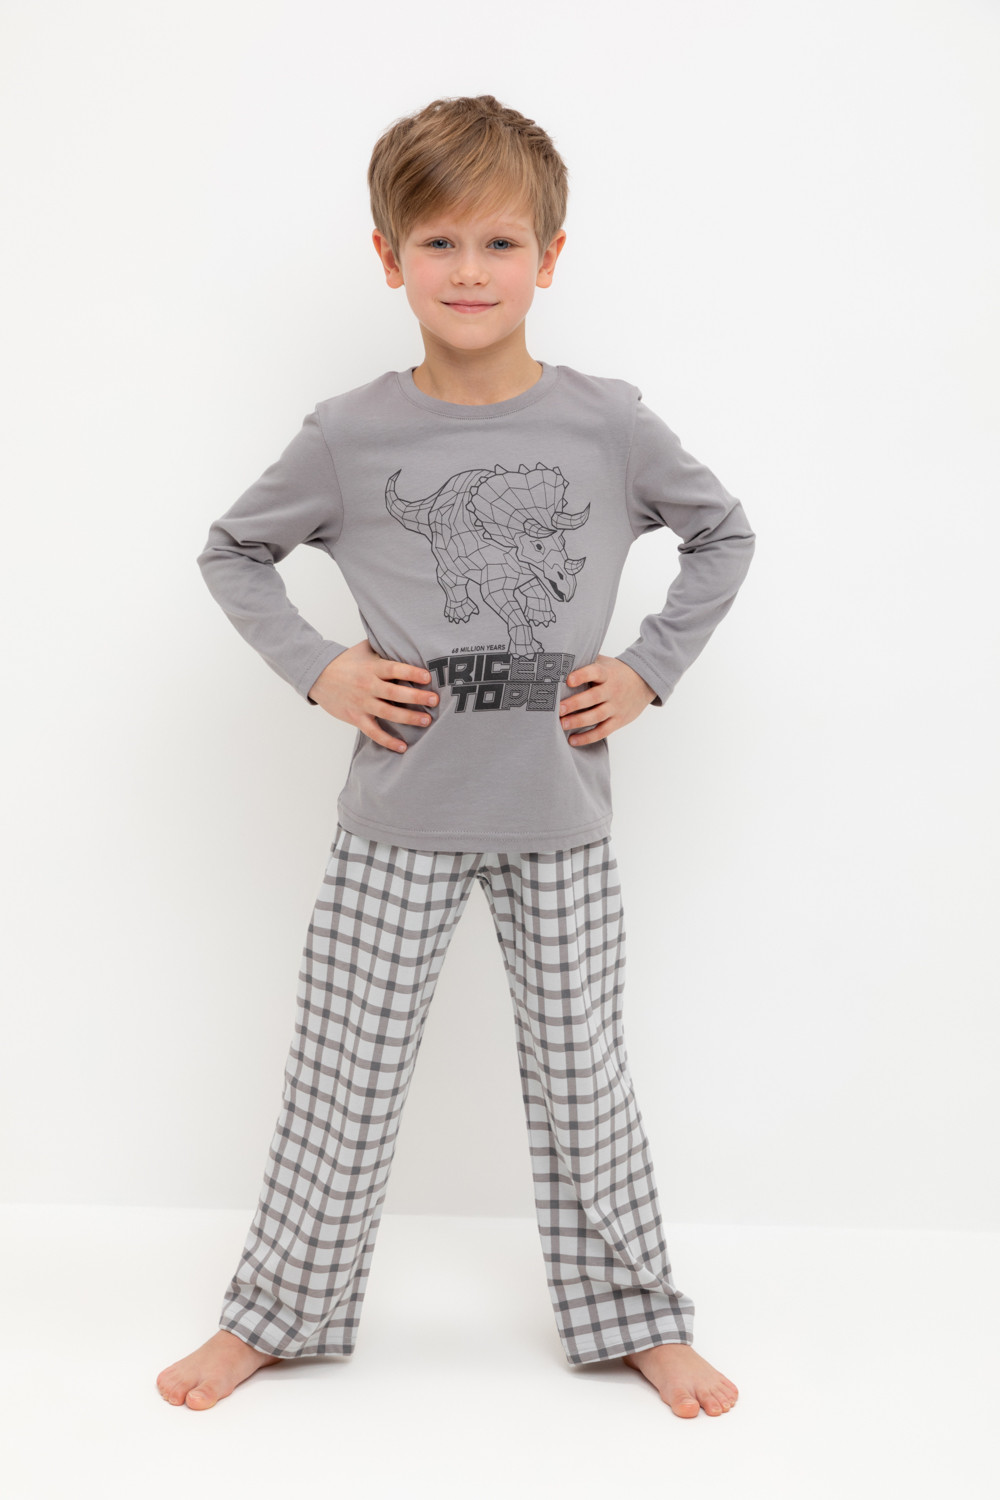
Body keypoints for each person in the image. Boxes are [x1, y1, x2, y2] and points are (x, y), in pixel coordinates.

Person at [156, 94, 754, 1418]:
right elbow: (233, 553)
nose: (469, 272)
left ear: (550, 256)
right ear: (389, 259)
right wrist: (322, 667)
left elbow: (723, 534)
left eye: (498, 243)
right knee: (344, 1077)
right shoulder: (348, 434)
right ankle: (276, 1315)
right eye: (438, 243)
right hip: (397, 820)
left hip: (560, 818)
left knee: (584, 1079)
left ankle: (635, 1317)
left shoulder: (609, 424)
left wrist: (648, 669)